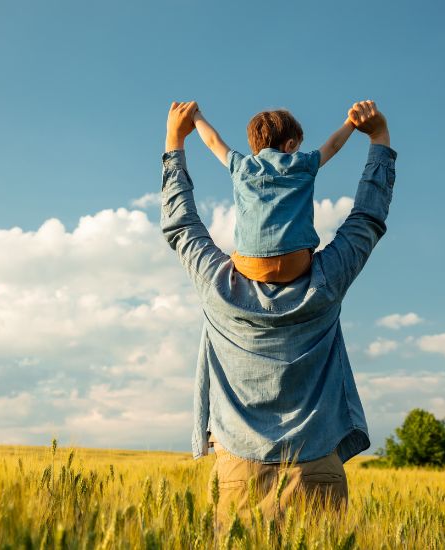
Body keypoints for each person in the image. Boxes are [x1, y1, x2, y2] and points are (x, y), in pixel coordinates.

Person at [160, 100, 396, 526]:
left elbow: (181, 225)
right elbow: (367, 218)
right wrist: (378, 139)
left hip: (237, 477)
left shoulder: (217, 287)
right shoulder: (327, 281)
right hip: (317, 470)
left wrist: (175, 142)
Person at [193, 106, 356, 283]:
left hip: (251, 266)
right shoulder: (302, 163)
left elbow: (212, 141)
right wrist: (351, 122)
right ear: (290, 144)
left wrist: (195, 115)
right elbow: (333, 145)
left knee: (233, 257)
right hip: (295, 264)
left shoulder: (241, 166)